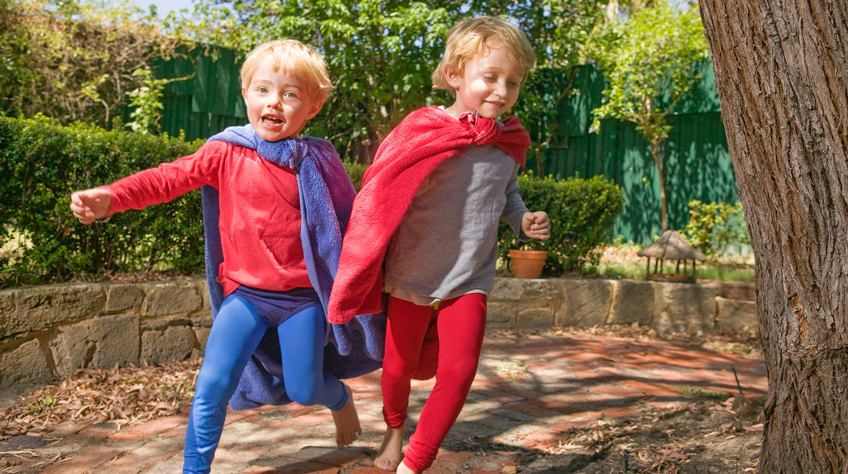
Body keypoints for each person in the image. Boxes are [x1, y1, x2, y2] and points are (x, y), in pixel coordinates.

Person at [69, 39, 384, 474]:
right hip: (246, 296)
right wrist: (112, 197)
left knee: (306, 386)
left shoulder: (317, 161)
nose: (274, 102)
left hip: (302, 302)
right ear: (245, 94)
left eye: (290, 93)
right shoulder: (225, 151)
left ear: (313, 106)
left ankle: (339, 398)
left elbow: (353, 226)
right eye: (263, 89)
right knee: (212, 385)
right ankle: (194, 470)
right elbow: (167, 179)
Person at [326, 16, 551, 474]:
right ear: (454, 75)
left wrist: (523, 220)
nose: (502, 90)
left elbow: (507, 194)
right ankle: (394, 430)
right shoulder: (423, 129)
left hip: (471, 277)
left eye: (513, 82)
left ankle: (417, 461)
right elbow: (384, 187)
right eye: (490, 77)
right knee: (397, 367)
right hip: (412, 272)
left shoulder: (506, 144)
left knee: (459, 370)